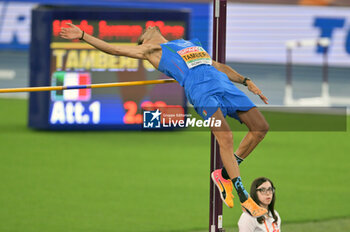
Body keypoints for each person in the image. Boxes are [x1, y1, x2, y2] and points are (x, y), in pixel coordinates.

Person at [60, 25, 270, 217]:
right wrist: (83, 36)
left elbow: (217, 65)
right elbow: (113, 49)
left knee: (260, 128)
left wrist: (245, 81)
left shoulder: (187, 43)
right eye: (144, 31)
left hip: (223, 84)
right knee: (226, 137)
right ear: (143, 41)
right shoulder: (151, 50)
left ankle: (223, 175)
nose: (148, 26)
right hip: (201, 91)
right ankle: (245, 198)